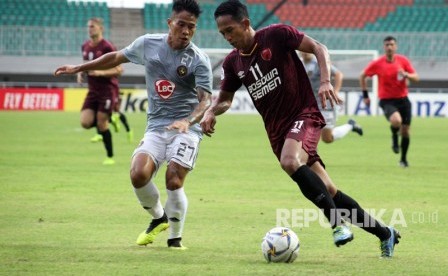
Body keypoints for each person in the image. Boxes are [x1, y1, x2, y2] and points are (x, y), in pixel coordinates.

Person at [201, 0, 399, 258]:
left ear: (245, 24)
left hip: (304, 114)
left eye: (230, 30)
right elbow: (225, 99)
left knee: (290, 161)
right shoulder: (233, 63)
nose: (227, 37)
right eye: (222, 33)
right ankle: (386, 234)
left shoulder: (276, 35)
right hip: (277, 132)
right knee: (328, 190)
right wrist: (210, 110)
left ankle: (337, 223)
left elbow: (318, 47)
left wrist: (326, 81)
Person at [55, 0, 213, 249]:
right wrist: (80, 67)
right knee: (138, 173)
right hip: (157, 126)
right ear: (169, 23)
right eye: (181, 24)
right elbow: (115, 57)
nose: (186, 31)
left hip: (186, 129)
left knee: (173, 179)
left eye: (191, 27)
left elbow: (206, 100)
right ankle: (159, 218)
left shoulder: (199, 60)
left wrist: (189, 121)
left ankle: (175, 238)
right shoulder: (148, 44)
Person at [359, 36, 419, 168]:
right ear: (384, 47)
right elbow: (362, 75)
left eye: (392, 45)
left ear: (396, 46)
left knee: (405, 131)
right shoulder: (378, 63)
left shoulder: (403, 61)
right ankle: (394, 136)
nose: (389, 47)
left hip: (403, 100)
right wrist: (365, 95)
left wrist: (407, 75)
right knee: (396, 121)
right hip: (387, 100)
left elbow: (416, 77)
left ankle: (403, 159)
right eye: (387, 45)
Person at [76, 17, 123, 165]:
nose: (90, 29)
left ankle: (110, 157)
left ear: (101, 29)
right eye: (89, 27)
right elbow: (85, 64)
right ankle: (110, 118)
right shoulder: (85, 46)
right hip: (92, 91)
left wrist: (99, 73)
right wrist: (80, 73)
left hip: (107, 90)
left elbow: (119, 69)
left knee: (102, 124)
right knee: (85, 122)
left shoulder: (108, 46)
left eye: (93, 26)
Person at [300, 52, 363, 143]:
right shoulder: (298, 63)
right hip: (309, 105)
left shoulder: (319, 63)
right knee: (307, 132)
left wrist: (336, 92)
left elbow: (338, 74)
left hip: (325, 104)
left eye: (307, 51)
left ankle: (350, 125)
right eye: (302, 51)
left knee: (327, 138)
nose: (305, 53)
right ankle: (309, 154)